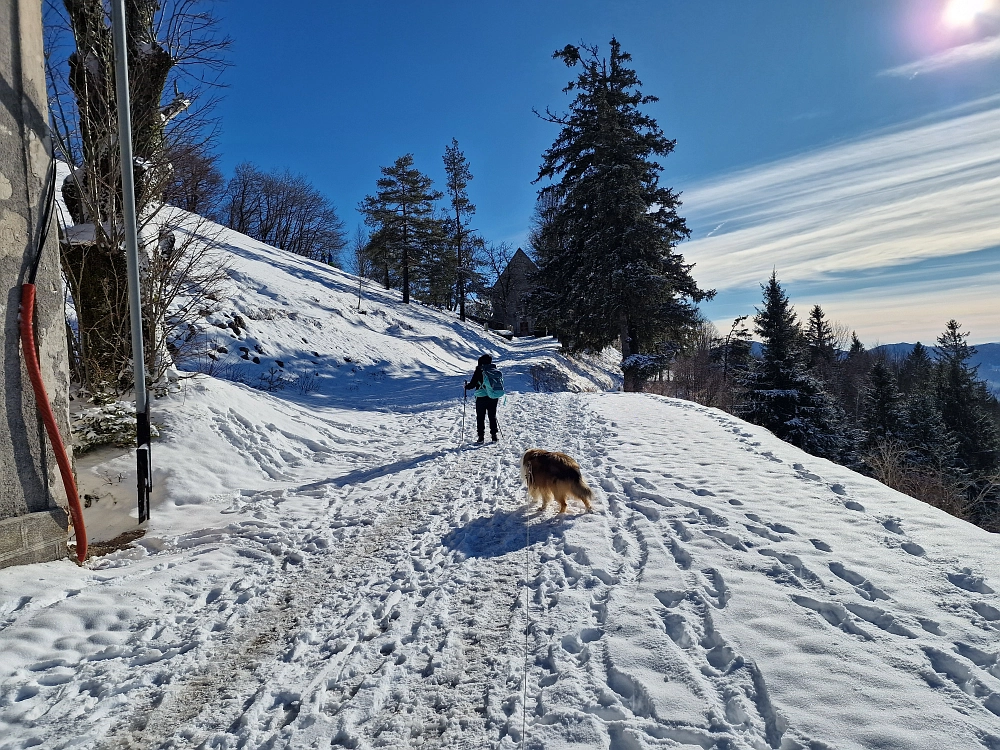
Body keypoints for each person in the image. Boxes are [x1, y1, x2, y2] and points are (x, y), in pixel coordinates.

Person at [465, 354, 500, 443]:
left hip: (481, 396)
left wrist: (466, 386)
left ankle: (481, 437)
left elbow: (472, 385)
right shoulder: (494, 370)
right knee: (492, 416)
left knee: (480, 417)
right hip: (493, 396)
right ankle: (494, 435)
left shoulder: (478, 371)